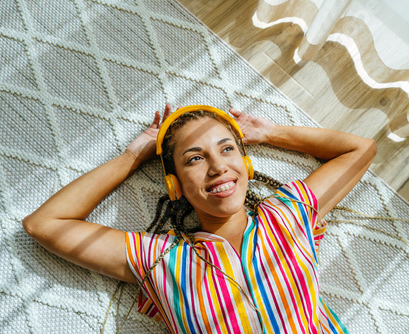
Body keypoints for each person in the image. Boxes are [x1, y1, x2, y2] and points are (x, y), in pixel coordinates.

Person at [23, 104, 377, 333]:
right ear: (174, 185)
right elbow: (45, 224)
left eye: (227, 149)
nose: (219, 166)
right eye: (195, 158)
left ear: (246, 164)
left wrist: (269, 133)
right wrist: (132, 157)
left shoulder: (288, 215)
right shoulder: (160, 260)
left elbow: (360, 149)